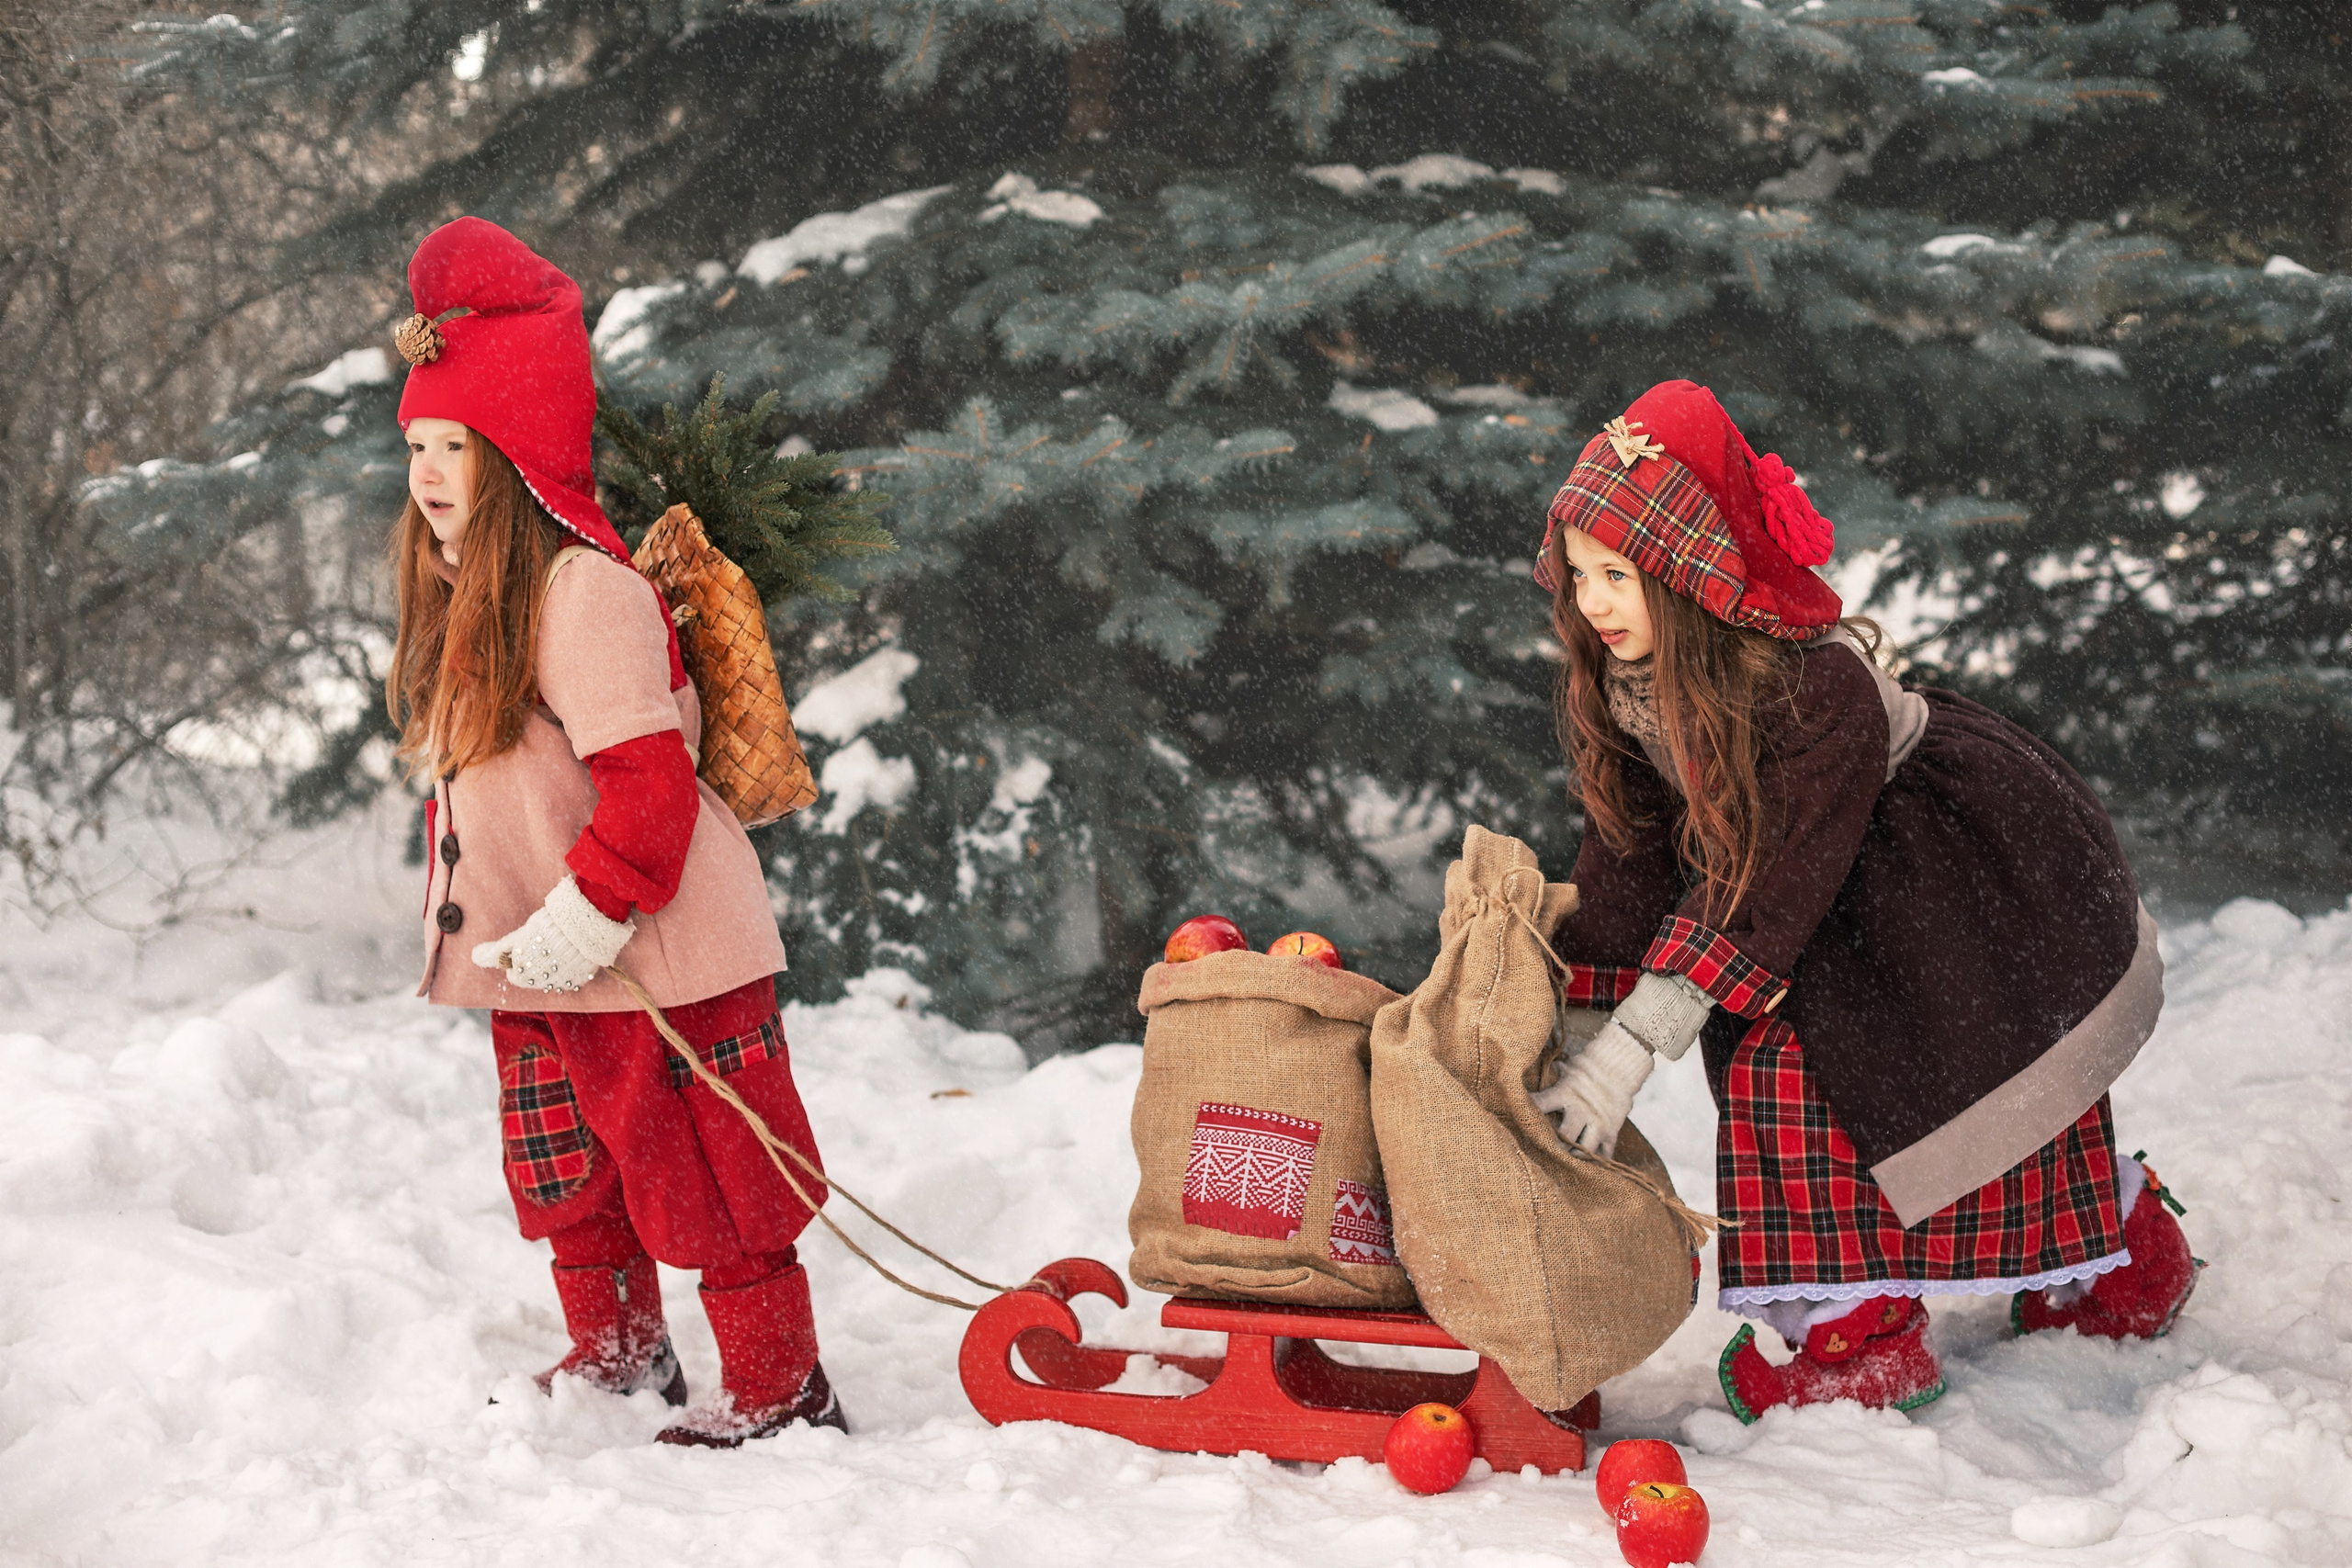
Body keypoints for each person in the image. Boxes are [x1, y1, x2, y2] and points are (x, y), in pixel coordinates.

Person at [1529, 381, 2200, 1420]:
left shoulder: (1808, 687)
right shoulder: (1632, 683)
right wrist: (1575, 1016)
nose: (1595, 603)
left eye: (1619, 574)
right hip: (1801, 903)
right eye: (1579, 574)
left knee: (1939, 1074)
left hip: (1932, 886)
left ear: (1691, 570)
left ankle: (2084, 1257)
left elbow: (1763, 874)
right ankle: (1866, 1312)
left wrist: (1630, 1049)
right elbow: (1627, 853)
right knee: (1792, 1090)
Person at [385, 216, 842, 1447]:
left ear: (519, 451)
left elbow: (645, 780)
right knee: (568, 1177)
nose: (428, 469)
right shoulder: (467, 590)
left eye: (457, 445)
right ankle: (622, 1355)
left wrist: (587, 911)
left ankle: (782, 1386)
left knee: (713, 1176)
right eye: (417, 443)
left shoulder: (583, 590)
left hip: (650, 947)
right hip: (541, 960)